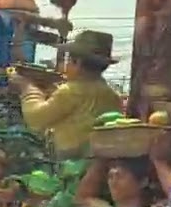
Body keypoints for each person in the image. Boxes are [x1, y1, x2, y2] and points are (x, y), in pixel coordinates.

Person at [13, 30, 123, 158]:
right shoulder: (111, 94)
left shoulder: (71, 91)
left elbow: (36, 118)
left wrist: (28, 89)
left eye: (69, 60)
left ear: (77, 63)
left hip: (70, 160)